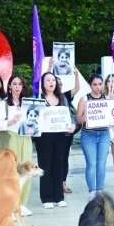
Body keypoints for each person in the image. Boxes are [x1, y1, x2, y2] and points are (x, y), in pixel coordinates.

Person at [31, 72, 77, 208]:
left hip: (60, 136)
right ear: (42, 83)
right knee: (45, 165)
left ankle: (59, 197)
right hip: (43, 137)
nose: (51, 82)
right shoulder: (37, 98)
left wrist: (73, 125)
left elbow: (70, 115)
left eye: (53, 80)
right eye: (47, 80)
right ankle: (46, 198)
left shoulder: (62, 98)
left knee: (59, 163)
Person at [0, 74, 36, 214]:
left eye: (20, 84)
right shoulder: (3, 104)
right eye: (14, 84)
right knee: (12, 171)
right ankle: (9, 203)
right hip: (11, 138)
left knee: (27, 170)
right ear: (9, 86)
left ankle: (22, 203)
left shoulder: (29, 104)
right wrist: (11, 121)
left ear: (23, 86)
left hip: (26, 139)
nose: (17, 86)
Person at [47, 58, 81, 194]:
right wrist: (49, 66)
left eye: (60, 83)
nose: (57, 85)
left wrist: (76, 75)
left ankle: (63, 183)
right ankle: (52, 184)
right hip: (51, 133)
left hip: (66, 134)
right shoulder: (46, 96)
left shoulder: (66, 95)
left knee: (63, 158)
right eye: (56, 82)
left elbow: (77, 88)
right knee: (52, 159)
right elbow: (45, 78)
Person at [76, 74, 111, 200]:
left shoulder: (107, 98)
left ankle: (100, 190)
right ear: (90, 85)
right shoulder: (84, 99)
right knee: (91, 164)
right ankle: (92, 191)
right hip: (88, 134)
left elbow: (113, 115)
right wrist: (86, 117)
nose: (97, 87)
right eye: (95, 84)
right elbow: (78, 118)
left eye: (100, 84)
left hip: (104, 134)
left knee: (101, 164)